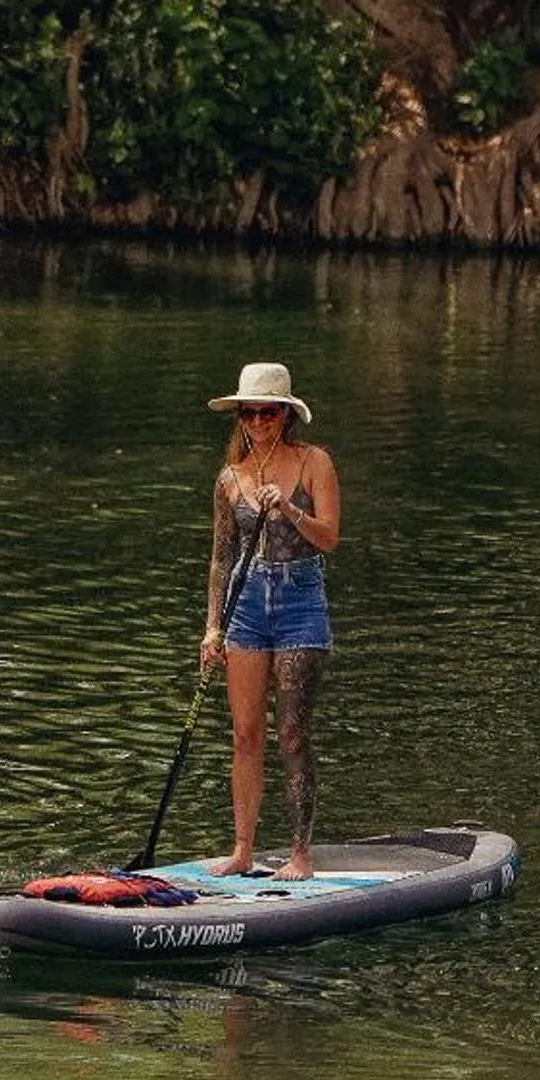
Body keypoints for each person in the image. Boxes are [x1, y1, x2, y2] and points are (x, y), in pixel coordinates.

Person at [199, 362, 342, 881]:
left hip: (300, 598)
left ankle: (301, 853)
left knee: (292, 735)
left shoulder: (313, 463)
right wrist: (212, 627)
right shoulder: (230, 479)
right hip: (246, 604)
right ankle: (242, 849)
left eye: (268, 412)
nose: (258, 421)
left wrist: (290, 512)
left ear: (285, 415)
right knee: (245, 734)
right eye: (249, 413)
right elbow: (220, 557)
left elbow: (329, 538)